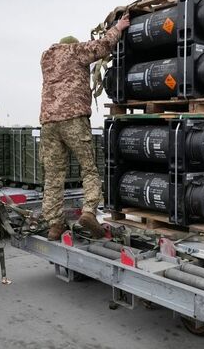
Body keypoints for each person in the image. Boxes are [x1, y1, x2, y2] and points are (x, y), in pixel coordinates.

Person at [39, 13, 131, 241]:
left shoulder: (46, 59)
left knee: (53, 176)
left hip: (48, 122)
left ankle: (54, 225)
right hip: (73, 119)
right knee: (88, 169)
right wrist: (118, 28)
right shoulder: (75, 51)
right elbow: (101, 46)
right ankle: (89, 212)